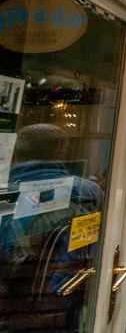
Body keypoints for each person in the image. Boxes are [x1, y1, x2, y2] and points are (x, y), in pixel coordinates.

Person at [0, 123, 104, 331]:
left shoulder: (6, 194)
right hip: (66, 306)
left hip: (10, 306)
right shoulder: (88, 191)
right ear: (61, 152)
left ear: (17, 152)